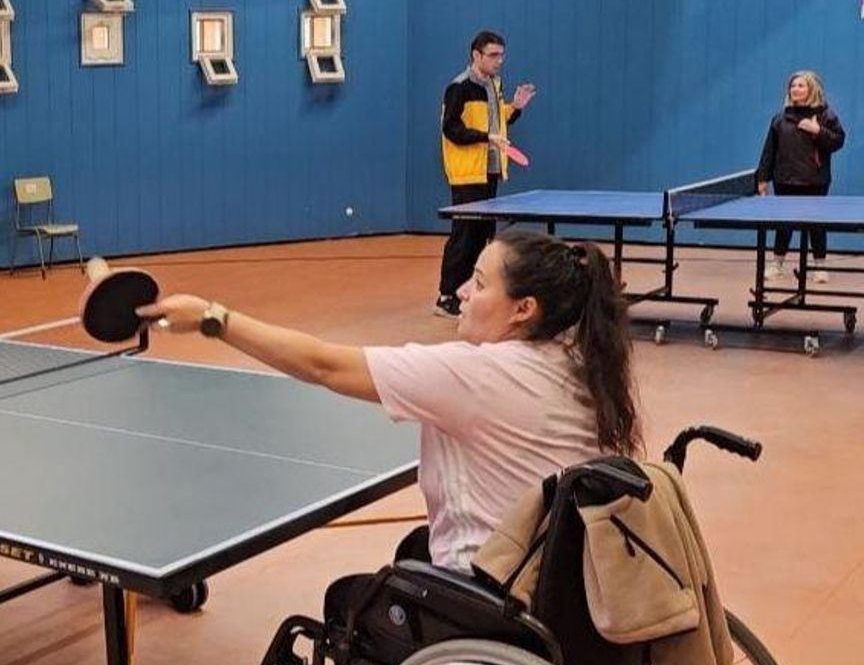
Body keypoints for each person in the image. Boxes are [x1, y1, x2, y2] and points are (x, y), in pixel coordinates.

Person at [137, 229, 639, 577]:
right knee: (410, 554)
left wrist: (213, 318)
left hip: (494, 580)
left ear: (524, 309)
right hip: (559, 579)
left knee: (347, 605)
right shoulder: (576, 361)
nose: (462, 291)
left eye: (480, 283)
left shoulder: (473, 375)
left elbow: (323, 365)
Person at [435, 30, 536, 318]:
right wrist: (485, 138)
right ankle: (446, 297)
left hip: (490, 171)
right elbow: (451, 129)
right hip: (467, 174)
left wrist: (516, 108)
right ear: (476, 55)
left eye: (501, 55)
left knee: (481, 235)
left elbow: (497, 121)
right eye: (493, 55)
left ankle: (467, 292)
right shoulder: (459, 88)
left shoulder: (494, 84)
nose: (499, 60)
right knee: (463, 236)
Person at [756, 70, 845, 284]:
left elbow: (838, 141)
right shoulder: (780, 118)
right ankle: (776, 264)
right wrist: (762, 178)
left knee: (816, 225)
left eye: (801, 85)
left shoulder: (826, 115)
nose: (795, 89)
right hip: (784, 179)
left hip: (815, 180)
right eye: (793, 86)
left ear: (811, 89)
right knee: (783, 225)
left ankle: (820, 267)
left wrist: (817, 131)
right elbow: (769, 150)